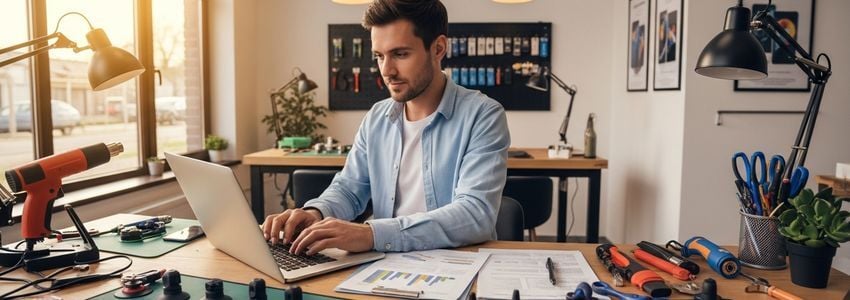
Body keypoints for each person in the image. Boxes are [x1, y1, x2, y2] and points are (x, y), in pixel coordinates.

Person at [261, 0, 510, 256]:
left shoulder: (483, 115)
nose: (387, 71)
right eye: (379, 56)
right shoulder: (377, 117)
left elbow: (474, 215)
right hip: (384, 266)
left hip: (456, 266)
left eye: (400, 54)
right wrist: (316, 213)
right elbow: (349, 189)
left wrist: (371, 234)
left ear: (438, 48)